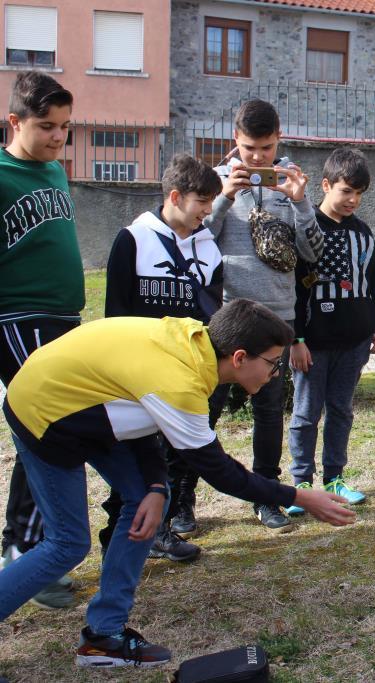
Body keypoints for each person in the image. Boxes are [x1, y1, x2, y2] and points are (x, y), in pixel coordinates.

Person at [0, 299, 356, 669]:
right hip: (43, 410)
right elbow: (221, 473)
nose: (275, 373)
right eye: (272, 363)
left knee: (147, 501)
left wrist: (155, 488)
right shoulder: (181, 382)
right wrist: (299, 496)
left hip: (87, 401)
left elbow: (141, 412)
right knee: (68, 544)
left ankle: (104, 635)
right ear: (238, 357)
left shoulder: (193, 343)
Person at [97, 153, 224, 563]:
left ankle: (162, 528)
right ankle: (118, 530)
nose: (208, 211)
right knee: (136, 451)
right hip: (138, 374)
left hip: (185, 373)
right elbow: (115, 312)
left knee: (174, 452)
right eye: (202, 201)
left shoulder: (209, 248)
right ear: (175, 196)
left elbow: (212, 313)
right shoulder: (132, 239)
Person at [204, 99, 324, 533]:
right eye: (250, 148)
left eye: (267, 148)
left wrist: (301, 204)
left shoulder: (290, 181)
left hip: (277, 317)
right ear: (235, 141)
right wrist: (223, 199)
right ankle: (181, 502)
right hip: (228, 317)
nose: (258, 158)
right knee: (205, 409)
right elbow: (199, 243)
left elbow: (312, 253)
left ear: (279, 141)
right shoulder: (216, 182)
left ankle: (265, 496)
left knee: (270, 413)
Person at [0, 70, 83, 609]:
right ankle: (26, 552)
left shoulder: (54, 171)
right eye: (47, 126)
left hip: (62, 319)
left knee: (47, 429)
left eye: (66, 127)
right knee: (48, 426)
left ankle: (27, 544)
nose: (58, 137)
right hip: (17, 318)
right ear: (15, 122)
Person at [285, 148, 375, 514]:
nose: (352, 200)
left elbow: (373, 282)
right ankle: (302, 483)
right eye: (345, 191)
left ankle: (334, 478)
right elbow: (295, 287)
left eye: (359, 193)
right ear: (326, 185)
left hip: (354, 342)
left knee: (341, 410)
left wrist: (374, 329)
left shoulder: (363, 234)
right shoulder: (308, 229)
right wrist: (296, 339)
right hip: (313, 344)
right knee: (306, 413)